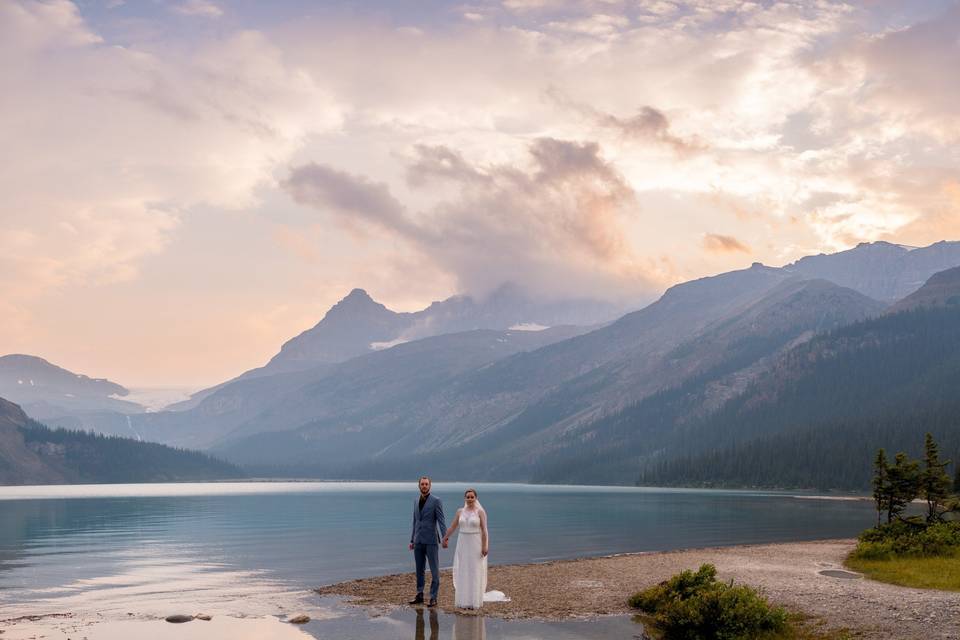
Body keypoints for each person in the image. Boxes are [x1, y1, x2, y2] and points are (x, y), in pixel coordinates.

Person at [442, 488, 488, 609]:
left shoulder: (480, 512)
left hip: (475, 543)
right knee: (463, 569)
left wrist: (485, 545)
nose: (470, 499)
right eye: (467, 497)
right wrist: (445, 538)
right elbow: (453, 527)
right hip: (462, 543)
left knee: (474, 570)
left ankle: (474, 601)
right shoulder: (459, 512)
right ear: (465, 498)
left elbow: (484, 530)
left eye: (472, 497)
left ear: (476, 498)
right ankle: (464, 600)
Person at [409, 476, 447, 607]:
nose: (424, 486)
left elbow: (441, 521)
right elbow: (415, 521)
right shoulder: (415, 501)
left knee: (434, 570)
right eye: (422, 484)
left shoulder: (436, 501)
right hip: (418, 540)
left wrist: (445, 538)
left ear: (430, 486)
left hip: (431, 541)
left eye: (426, 484)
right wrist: (412, 539)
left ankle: (433, 597)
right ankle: (419, 594)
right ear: (419, 486)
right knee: (419, 569)